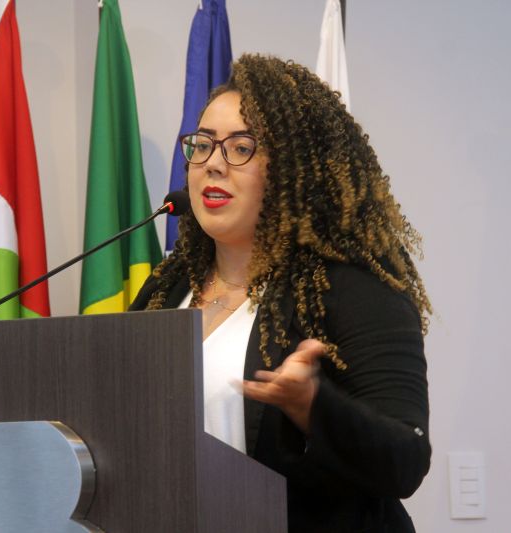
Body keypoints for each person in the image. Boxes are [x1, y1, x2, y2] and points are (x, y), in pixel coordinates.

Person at [130, 53, 432, 532]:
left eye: (241, 147)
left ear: (296, 168)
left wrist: (312, 405)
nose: (213, 165)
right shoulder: (168, 288)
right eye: (202, 145)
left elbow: (406, 460)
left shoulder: (351, 288)